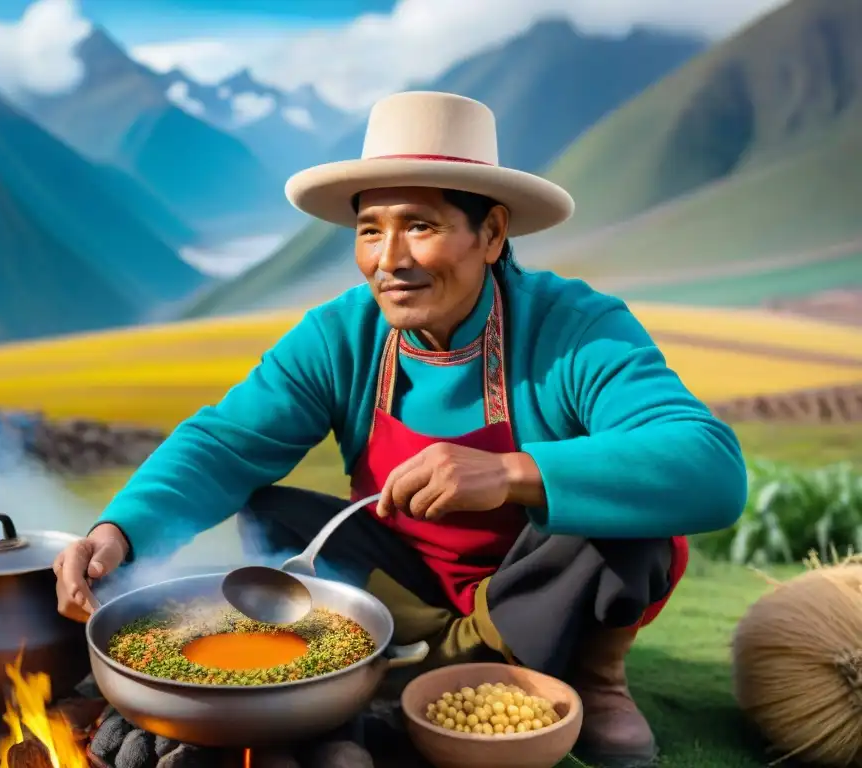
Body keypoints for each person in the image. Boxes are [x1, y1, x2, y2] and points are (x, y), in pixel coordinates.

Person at [53, 91, 747, 767]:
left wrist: (511, 474)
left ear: (493, 232)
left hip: (540, 578)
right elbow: (225, 443)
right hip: (403, 586)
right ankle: (450, 660)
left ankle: (591, 680)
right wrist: (120, 530)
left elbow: (711, 465)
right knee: (273, 512)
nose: (389, 259)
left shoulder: (575, 328)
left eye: (419, 224)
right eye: (369, 230)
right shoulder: (339, 335)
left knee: (635, 522)